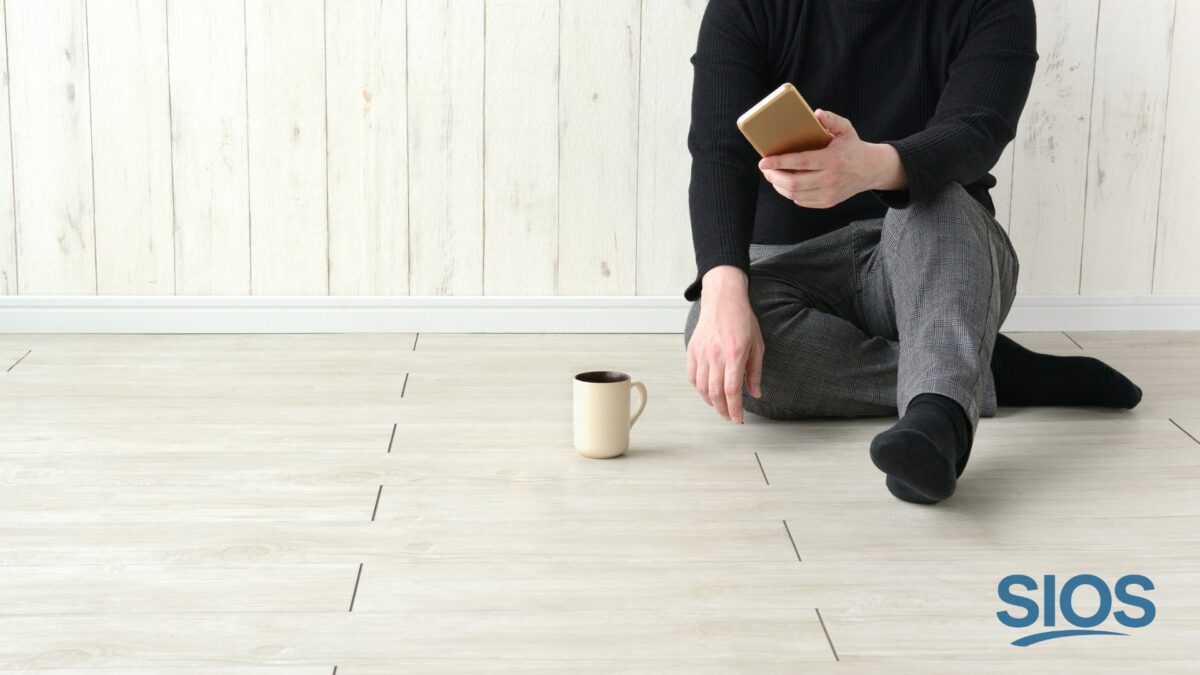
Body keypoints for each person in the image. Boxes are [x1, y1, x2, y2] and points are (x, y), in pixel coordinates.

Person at [682, 0, 1142, 505]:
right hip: (796, 264)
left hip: (937, 245)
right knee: (730, 347)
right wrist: (722, 287)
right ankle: (977, 366)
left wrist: (872, 167)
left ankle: (937, 422)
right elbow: (718, 152)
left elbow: (974, 132)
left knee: (939, 198)